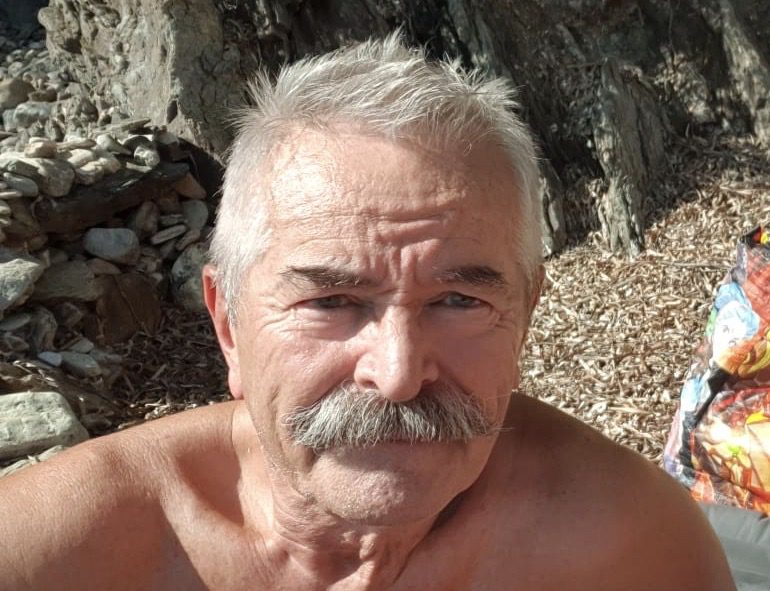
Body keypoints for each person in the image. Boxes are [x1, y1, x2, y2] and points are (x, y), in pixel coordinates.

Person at [0, 33, 734, 590]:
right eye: (330, 301)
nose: (398, 374)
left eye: (458, 299)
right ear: (228, 324)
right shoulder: (55, 550)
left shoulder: (628, 546)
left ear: (524, 316)